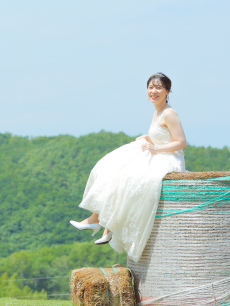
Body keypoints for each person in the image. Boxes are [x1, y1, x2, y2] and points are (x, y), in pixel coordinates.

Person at [70, 73, 187, 262]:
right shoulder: (157, 112)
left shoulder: (169, 113)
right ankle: (98, 220)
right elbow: (162, 135)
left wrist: (155, 148)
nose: (153, 91)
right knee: (112, 167)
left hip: (169, 159)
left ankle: (105, 225)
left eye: (158, 87)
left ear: (167, 91)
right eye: (150, 87)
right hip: (156, 152)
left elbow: (181, 142)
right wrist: (148, 139)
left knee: (132, 178)